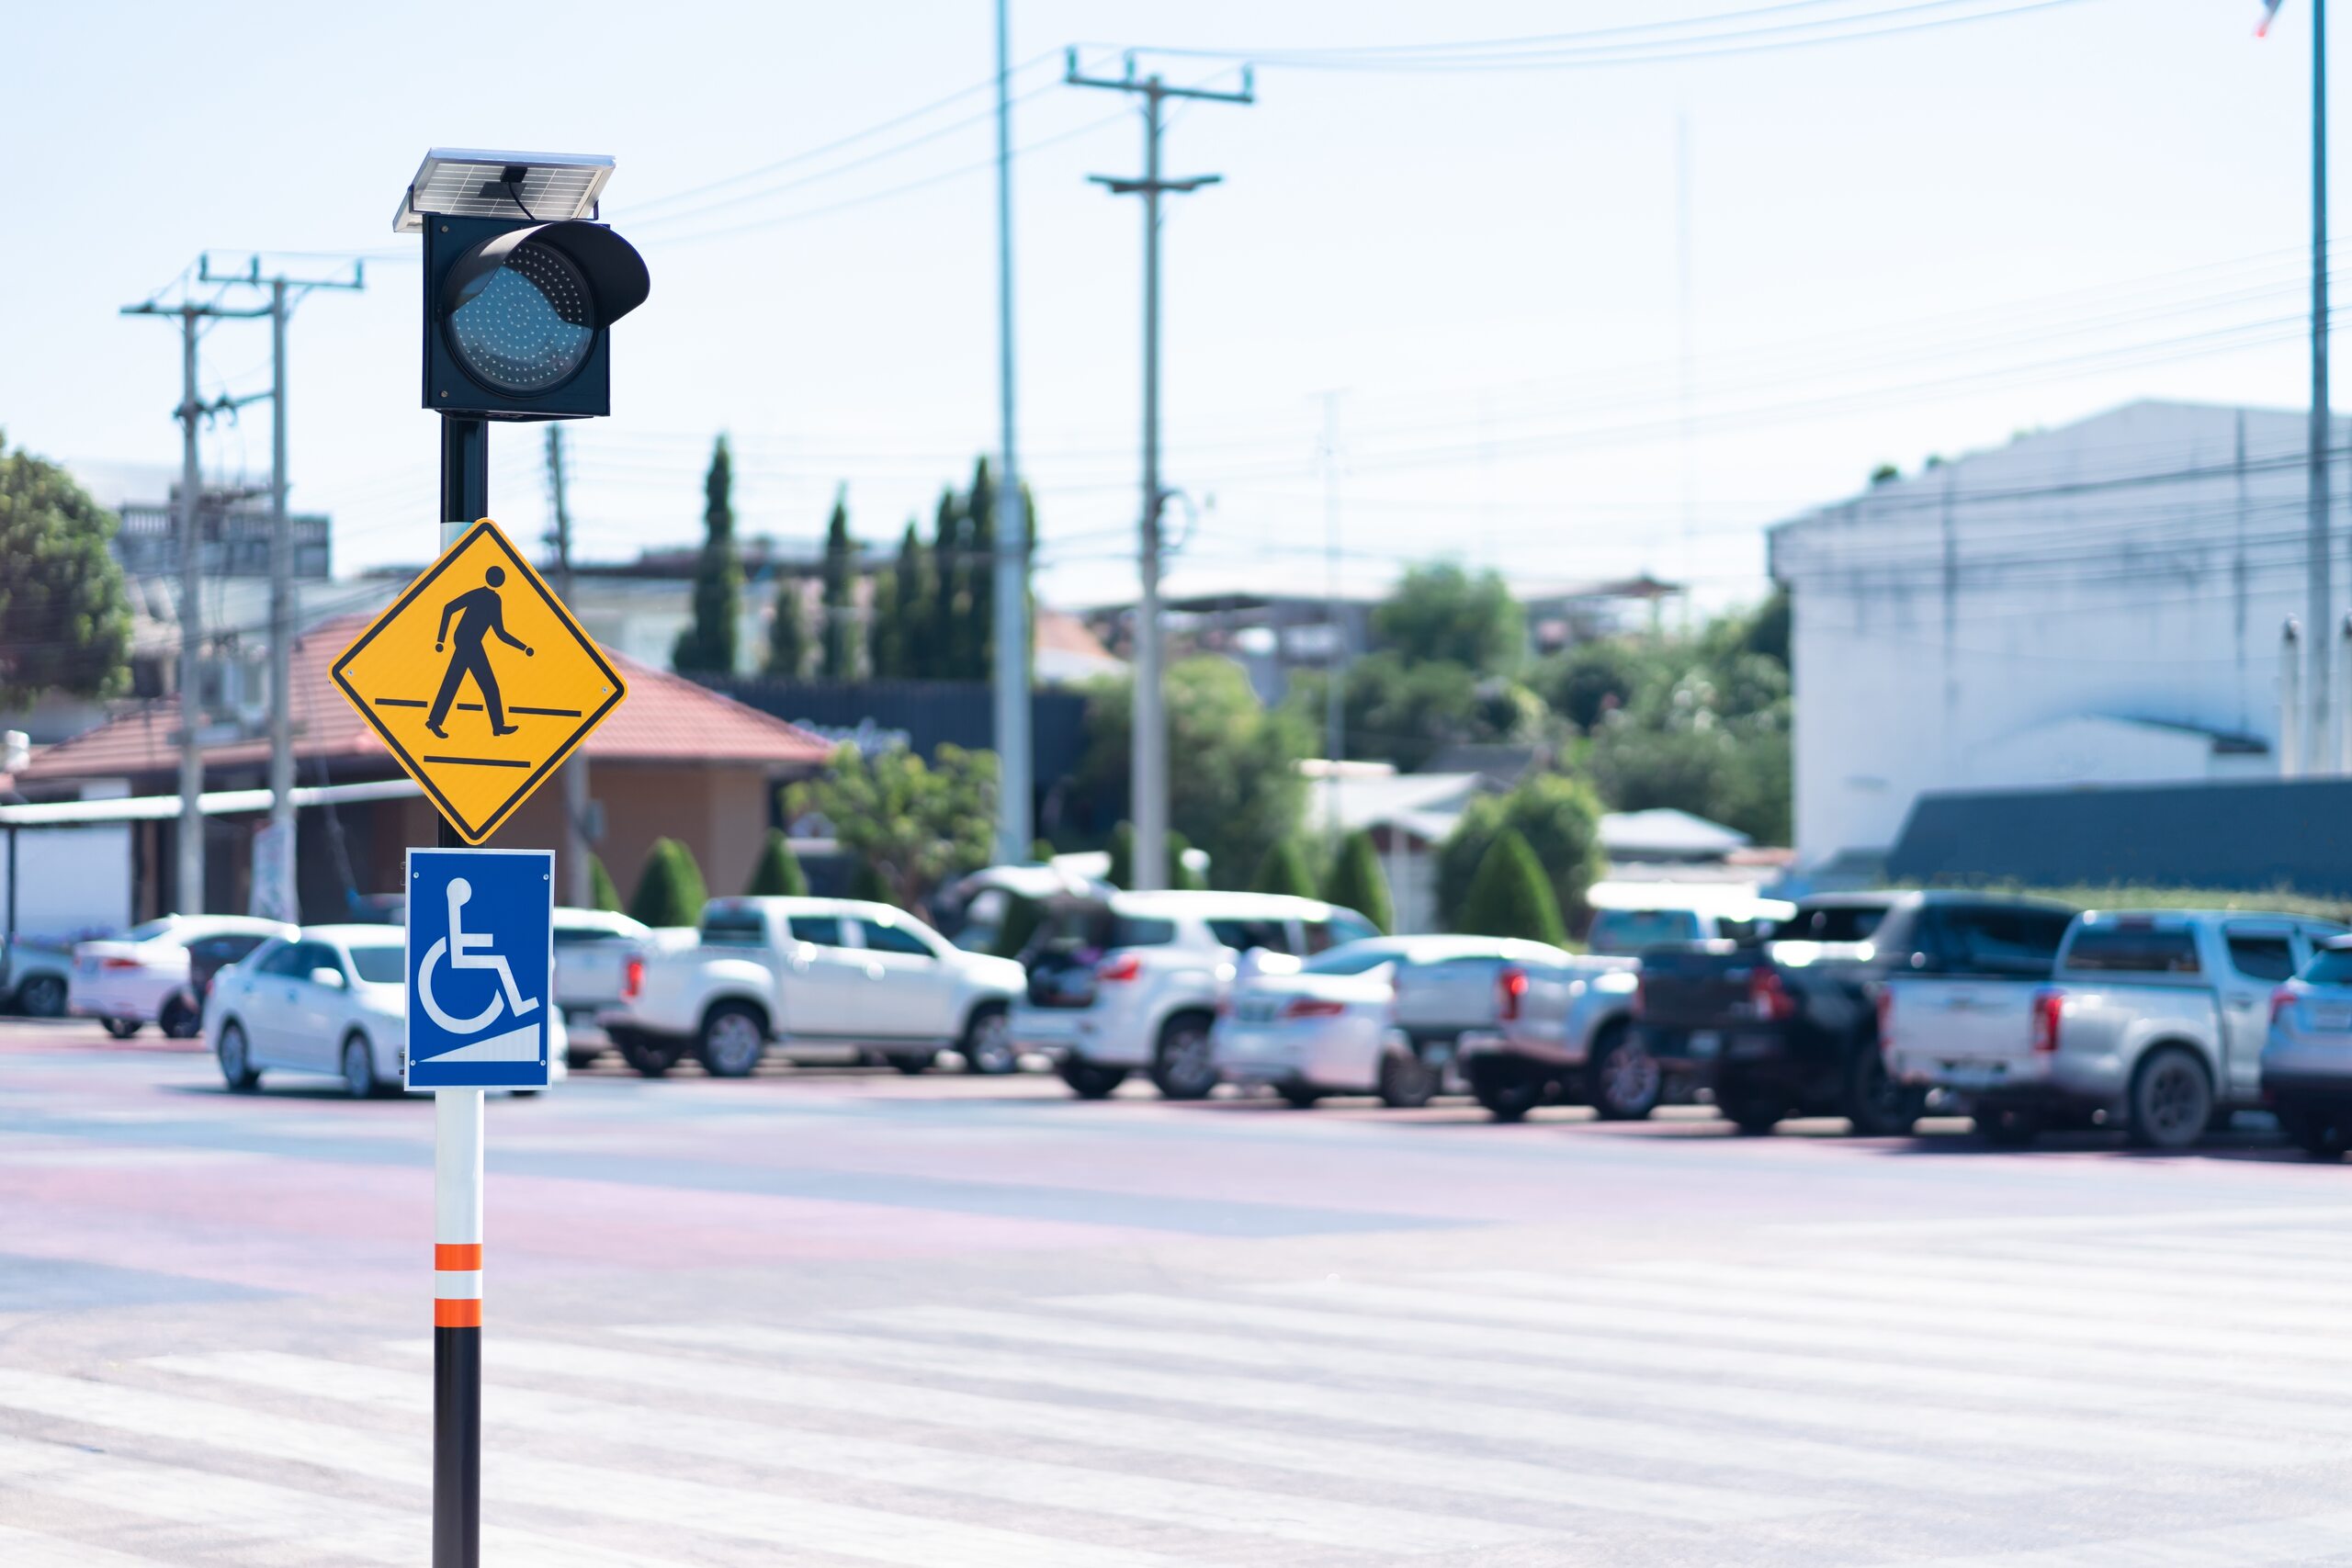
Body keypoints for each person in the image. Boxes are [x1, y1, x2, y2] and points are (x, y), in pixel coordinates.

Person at [426, 566, 534, 739]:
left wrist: (523, 647)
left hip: (470, 642)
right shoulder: (480, 595)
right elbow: (449, 608)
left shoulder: (493, 600)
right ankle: (497, 726)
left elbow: (500, 633)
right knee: (488, 685)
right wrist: (440, 640)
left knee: (453, 681)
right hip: (467, 642)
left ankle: (435, 721)